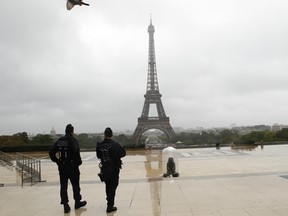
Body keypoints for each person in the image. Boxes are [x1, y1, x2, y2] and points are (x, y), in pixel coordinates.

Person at [49, 124, 87, 213]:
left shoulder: (60, 140)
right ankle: (77, 202)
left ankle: (65, 205)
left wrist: (57, 161)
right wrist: (78, 163)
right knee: (75, 185)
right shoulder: (73, 140)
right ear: (72, 131)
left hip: (62, 166)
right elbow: (76, 152)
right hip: (72, 166)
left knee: (63, 186)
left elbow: (51, 152)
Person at [96, 127, 126, 213]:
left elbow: (98, 155)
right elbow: (123, 153)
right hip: (114, 169)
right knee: (113, 185)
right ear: (112, 135)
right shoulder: (115, 144)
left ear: (104, 135)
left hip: (104, 168)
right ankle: (110, 205)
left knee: (108, 185)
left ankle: (109, 199)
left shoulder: (100, 145)